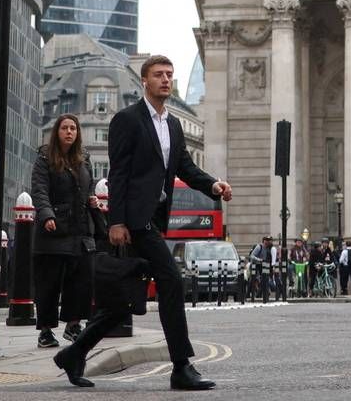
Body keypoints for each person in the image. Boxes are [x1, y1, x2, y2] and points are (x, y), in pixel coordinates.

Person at [52, 54, 233, 390]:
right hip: (135, 220)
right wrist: (117, 221)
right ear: (145, 82)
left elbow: (184, 167)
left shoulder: (174, 125)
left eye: (169, 74)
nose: (165, 79)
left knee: (124, 299)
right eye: (158, 74)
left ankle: (75, 353)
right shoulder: (128, 120)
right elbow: (118, 172)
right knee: (171, 280)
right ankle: (181, 366)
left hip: (154, 218)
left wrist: (212, 185)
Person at [31, 114, 98, 348]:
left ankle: (73, 325)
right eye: (64, 128)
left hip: (80, 232)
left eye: (73, 128)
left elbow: (88, 188)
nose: (69, 132)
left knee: (80, 281)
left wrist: (92, 200)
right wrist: (47, 215)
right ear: (57, 132)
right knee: (49, 284)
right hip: (54, 231)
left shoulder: (84, 160)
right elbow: (39, 190)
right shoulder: (44, 158)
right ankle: (46, 331)